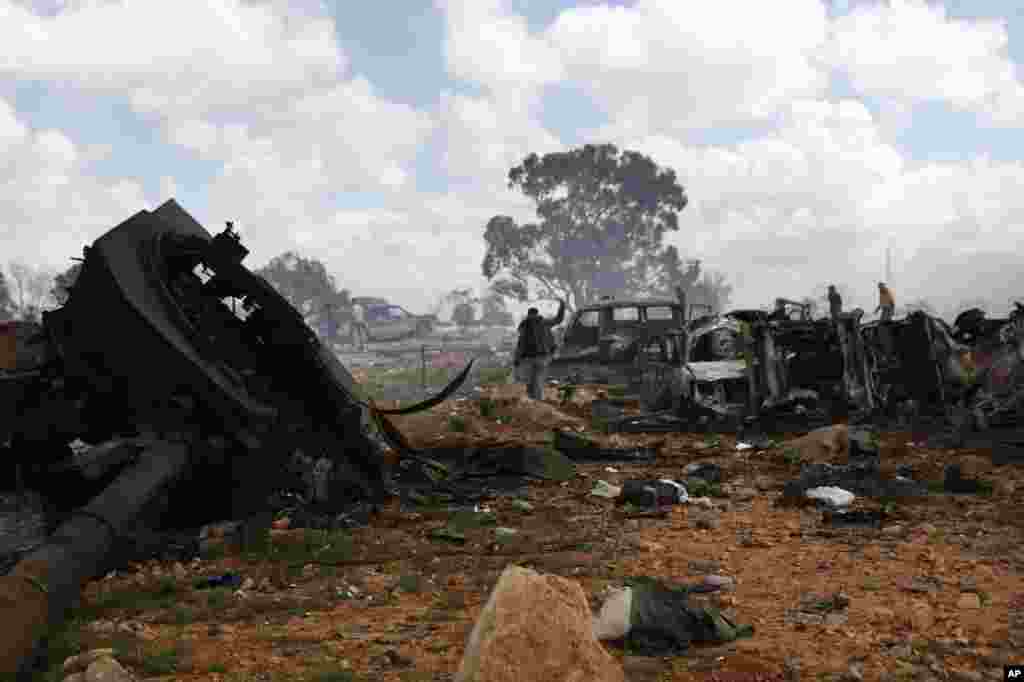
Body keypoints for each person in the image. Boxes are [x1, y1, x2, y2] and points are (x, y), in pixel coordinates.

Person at [513, 299, 566, 400]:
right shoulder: (545, 322)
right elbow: (559, 319)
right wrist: (562, 306)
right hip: (543, 357)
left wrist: (517, 359)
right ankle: (539, 399)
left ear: (528, 314)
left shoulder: (524, 325)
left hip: (527, 359)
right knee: (538, 379)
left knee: (530, 381)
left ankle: (533, 400)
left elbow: (520, 344)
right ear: (537, 314)